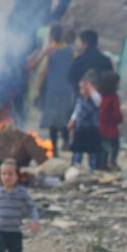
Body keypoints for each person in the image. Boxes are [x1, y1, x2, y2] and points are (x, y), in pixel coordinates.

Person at [33, 24, 75, 157]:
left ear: (51, 35)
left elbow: (37, 68)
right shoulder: (70, 51)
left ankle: (54, 148)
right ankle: (66, 141)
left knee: (52, 120)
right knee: (64, 116)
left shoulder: (50, 50)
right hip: (66, 89)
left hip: (52, 90)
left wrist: (38, 89)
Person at [67, 72, 102, 170]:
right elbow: (77, 111)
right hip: (80, 129)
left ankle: (92, 168)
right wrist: (72, 120)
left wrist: (90, 89)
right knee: (78, 151)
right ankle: (76, 166)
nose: (82, 90)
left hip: (92, 129)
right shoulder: (80, 99)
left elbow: (98, 100)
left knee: (92, 151)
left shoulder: (96, 98)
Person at [97, 70, 122, 172]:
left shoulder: (99, 96)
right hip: (111, 128)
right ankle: (111, 162)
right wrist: (119, 119)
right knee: (113, 146)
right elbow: (117, 114)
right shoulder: (113, 97)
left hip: (100, 127)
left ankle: (101, 164)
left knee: (103, 147)